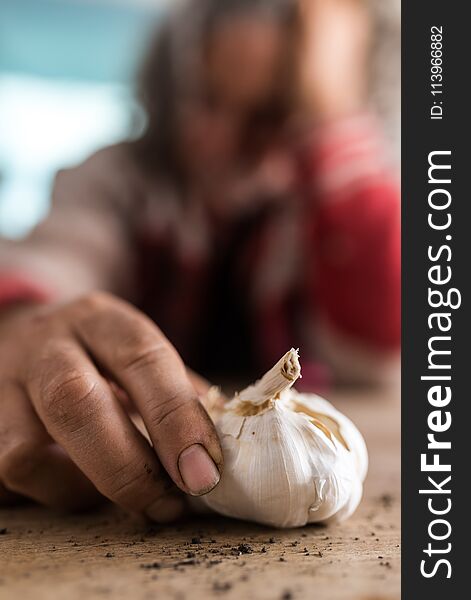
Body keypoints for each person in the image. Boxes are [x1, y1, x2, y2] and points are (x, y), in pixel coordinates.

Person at [0, 0, 400, 519]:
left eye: (268, 116)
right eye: (209, 100)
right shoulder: (115, 181)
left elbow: (378, 349)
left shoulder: (326, 203)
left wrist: (335, 116)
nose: (224, 140)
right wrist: (20, 325)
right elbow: (55, 262)